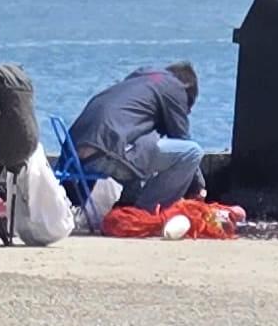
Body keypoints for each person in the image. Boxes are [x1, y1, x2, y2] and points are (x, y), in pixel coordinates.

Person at [68, 61, 205, 213]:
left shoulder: (141, 76)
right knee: (192, 152)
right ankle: (146, 214)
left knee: (145, 147)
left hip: (76, 154)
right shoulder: (176, 87)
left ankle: (128, 206)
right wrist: (198, 185)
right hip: (106, 152)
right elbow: (181, 137)